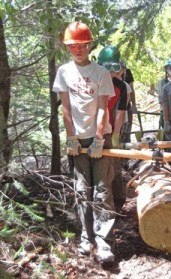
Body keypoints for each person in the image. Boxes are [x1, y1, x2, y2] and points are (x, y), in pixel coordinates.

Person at [53, 22, 116, 263]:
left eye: (82, 45)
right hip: (77, 141)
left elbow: (103, 109)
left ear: (89, 45)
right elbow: (66, 108)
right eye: (73, 45)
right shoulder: (64, 72)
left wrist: (99, 139)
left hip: (100, 137)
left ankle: (104, 242)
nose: (78, 49)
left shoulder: (100, 73)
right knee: (82, 190)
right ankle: (86, 238)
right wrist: (71, 137)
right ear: (68, 47)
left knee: (102, 189)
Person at [97, 46, 128, 213]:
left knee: (114, 164)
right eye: (107, 68)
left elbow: (120, 113)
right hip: (91, 129)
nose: (111, 73)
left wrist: (116, 134)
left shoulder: (121, 87)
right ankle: (98, 205)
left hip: (110, 128)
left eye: (115, 68)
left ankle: (118, 201)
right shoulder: (93, 82)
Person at [120, 61, 137, 143]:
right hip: (114, 106)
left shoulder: (128, 73)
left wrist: (134, 105)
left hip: (126, 105)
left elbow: (131, 89)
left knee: (127, 130)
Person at [157, 58, 171, 130]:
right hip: (165, 113)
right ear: (166, 70)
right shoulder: (162, 82)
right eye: (169, 68)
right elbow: (161, 100)